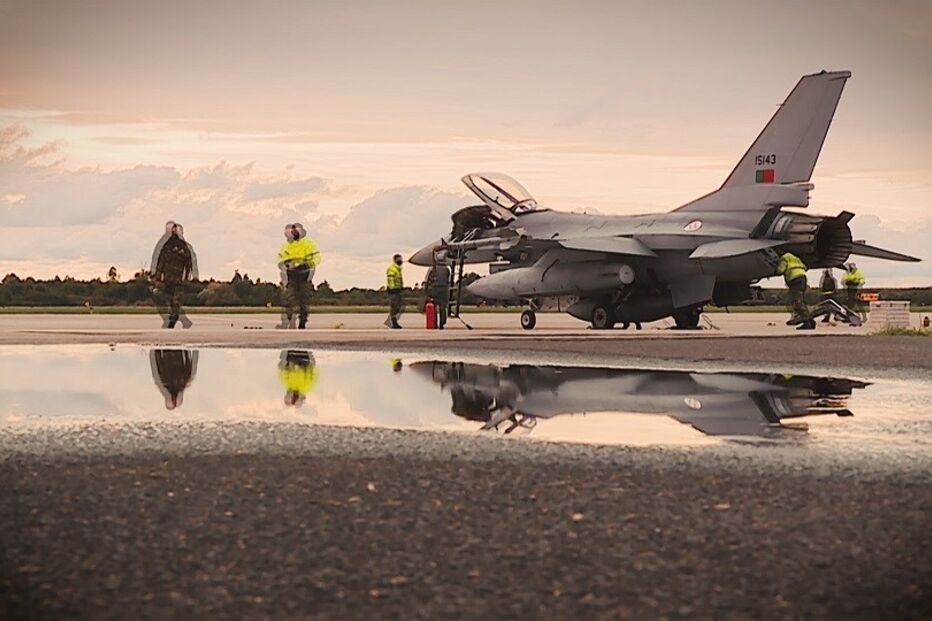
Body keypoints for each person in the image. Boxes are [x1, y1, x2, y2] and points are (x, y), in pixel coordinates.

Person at [150, 221, 198, 328]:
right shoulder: (166, 246)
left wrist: (188, 278)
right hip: (168, 279)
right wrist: (157, 278)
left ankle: (173, 321)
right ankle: (184, 321)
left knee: (175, 302)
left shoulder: (184, 247)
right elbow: (160, 263)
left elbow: (189, 263)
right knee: (168, 301)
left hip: (178, 280)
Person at [277, 223, 320, 329]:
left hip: (304, 275)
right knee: (288, 298)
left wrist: (308, 264)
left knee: (303, 300)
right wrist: (285, 265)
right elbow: (279, 259)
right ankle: (289, 319)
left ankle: (302, 321)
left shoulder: (308, 244)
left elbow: (316, 257)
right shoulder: (285, 245)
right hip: (291, 275)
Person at [775, 251, 815, 330]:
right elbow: (805, 267)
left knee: (796, 302)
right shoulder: (795, 258)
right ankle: (810, 322)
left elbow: (780, 270)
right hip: (803, 279)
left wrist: (775, 268)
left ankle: (807, 322)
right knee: (799, 302)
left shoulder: (785, 258)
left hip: (795, 280)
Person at [424, 249, 451, 329]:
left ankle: (434, 323)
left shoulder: (432, 269)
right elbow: (448, 280)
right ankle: (442, 323)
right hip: (444, 290)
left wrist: (426, 291)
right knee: (443, 307)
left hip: (434, 290)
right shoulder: (447, 269)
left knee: (434, 307)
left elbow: (427, 280)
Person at [385, 253, 405, 329]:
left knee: (398, 307)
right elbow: (390, 279)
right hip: (393, 291)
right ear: (395, 260)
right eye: (399, 259)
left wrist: (401, 287)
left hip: (398, 290)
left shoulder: (398, 269)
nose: (400, 261)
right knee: (394, 307)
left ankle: (394, 322)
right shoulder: (392, 268)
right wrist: (392, 288)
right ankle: (393, 322)